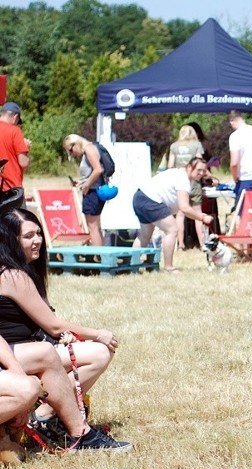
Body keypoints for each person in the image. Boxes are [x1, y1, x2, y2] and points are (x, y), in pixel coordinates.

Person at [0, 208, 130, 452]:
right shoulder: (11, 275)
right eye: (28, 236)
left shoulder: (23, 270)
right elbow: (53, 324)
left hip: (24, 349)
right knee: (82, 349)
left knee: (98, 354)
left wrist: (56, 336)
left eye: (39, 233)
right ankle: (77, 431)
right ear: (10, 240)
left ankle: (46, 414)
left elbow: (44, 324)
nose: (37, 239)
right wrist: (97, 333)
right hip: (10, 355)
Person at [131, 157, 214, 272]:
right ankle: (169, 267)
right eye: (198, 170)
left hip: (139, 197)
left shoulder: (179, 174)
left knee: (145, 235)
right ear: (189, 167)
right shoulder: (183, 180)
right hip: (150, 200)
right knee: (172, 230)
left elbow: (182, 208)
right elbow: (184, 208)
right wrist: (202, 217)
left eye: (203, 171)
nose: (201, 173)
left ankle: (131, 264)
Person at [63, 134, 110, 246]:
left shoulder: (89, 149)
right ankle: (101, 256)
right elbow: (92, 173)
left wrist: (86, 185)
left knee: (93, 228)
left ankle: (98, 256)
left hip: (93, 192)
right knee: (96, 227)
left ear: (75, 143)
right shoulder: (89, 149)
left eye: (70, 150)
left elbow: (98, 170)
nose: (72, 154)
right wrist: (81, 183)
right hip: (94, 190)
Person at [168, 125, 206, 250]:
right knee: (197, 213)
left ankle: (180, 244)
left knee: (180, 214)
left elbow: (170, 166)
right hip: (194, 180)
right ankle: (202, 244)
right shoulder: (196, 145)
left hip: (179, 180)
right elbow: (200, 163)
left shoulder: (174, 146)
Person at [0, 102, 29, 196]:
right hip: (12, 188)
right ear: (15, 117)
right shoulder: (15, 131)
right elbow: (24, 162)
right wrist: (26, 147)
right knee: (18, 211)